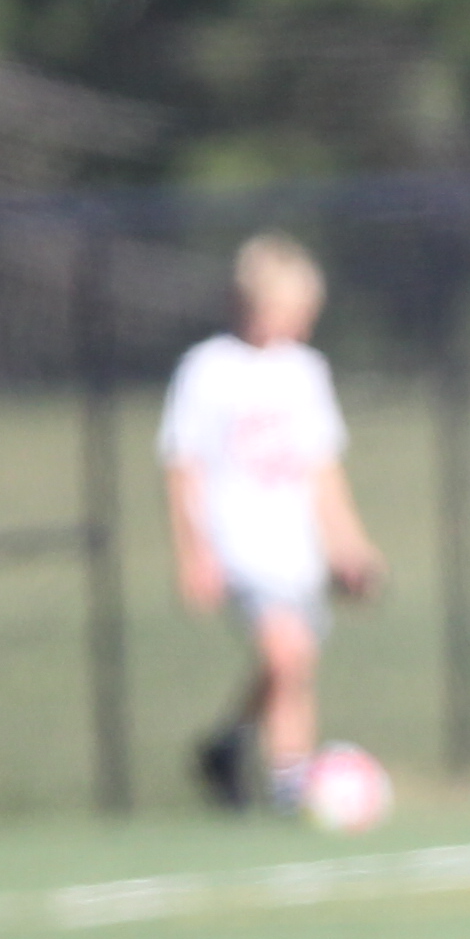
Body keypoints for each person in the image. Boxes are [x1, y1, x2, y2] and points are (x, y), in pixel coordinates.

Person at [165, 234, 382, 814]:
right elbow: (182, 468)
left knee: (292, 665)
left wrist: (351, 546)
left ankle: (229, 745)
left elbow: (322, 470)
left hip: (298, 550)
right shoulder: (208, 369)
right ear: (252, 304)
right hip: (239, 546)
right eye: (289, 310)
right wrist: (193, 554)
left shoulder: (306, 372)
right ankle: (293, 787)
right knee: (287, 653)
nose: (301, 323)